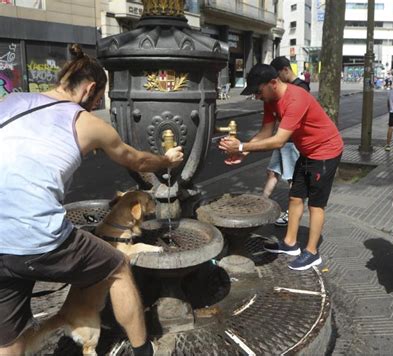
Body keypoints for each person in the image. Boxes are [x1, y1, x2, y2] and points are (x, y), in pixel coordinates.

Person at [0, 44, 184, 354]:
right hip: (36, 236)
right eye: (98, 100)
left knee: (8, 335)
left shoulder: (10, 100)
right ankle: (144, 351)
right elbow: (136, 160)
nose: (95, 106)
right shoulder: (85, 122)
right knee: (117, 266)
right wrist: (166, 161)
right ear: (89, 89)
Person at [219, 64, 343, 271]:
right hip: (306, 152)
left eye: (258, 91)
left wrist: (241, 145)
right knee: (295, 196)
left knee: (315, 204)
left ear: (273, 83)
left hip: (325, 152)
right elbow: (267, 131)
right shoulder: (271, 99)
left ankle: (312, 253)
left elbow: (278, 141)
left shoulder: (297, 98)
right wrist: (243, 152)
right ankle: (290, 243)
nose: (257, 97)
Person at [264, 56, 309, 226]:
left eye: (276, 75)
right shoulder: (287, 88)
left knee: (292, 179)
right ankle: (262, 203)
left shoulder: (300, 88)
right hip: (281, 139)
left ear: (285, 70)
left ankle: (292, 214)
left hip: (290, 142)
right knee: (272, 172)